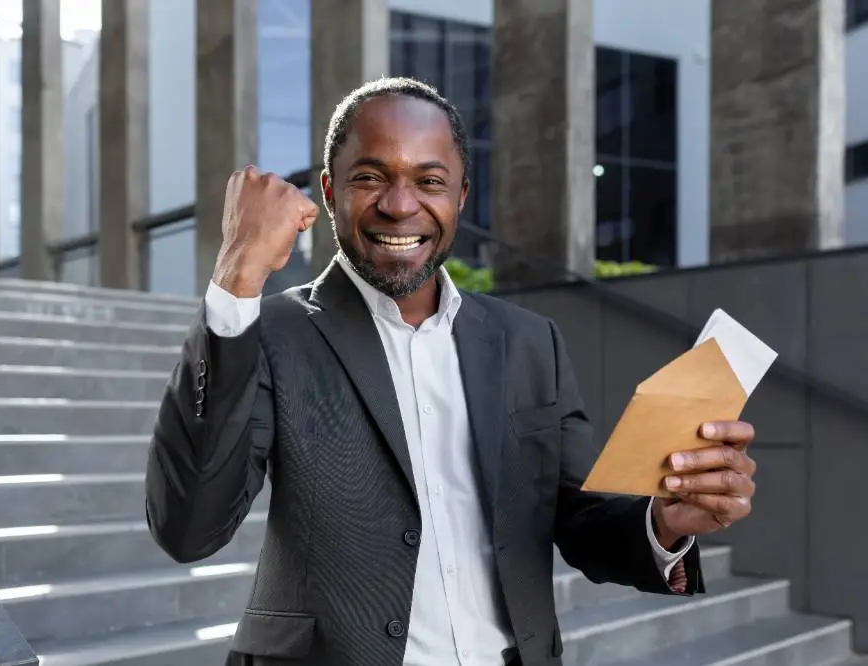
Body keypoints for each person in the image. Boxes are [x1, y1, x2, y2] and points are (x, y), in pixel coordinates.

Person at [145, 77, 758, 666]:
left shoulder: (527, 342)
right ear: (330, 192)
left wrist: (667, 523)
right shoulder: (270, 332)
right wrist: (235, 280)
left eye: (429, 180)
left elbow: (581, 518)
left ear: (460, 196)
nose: (400, 205)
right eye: (370, 177)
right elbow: (189, 528)